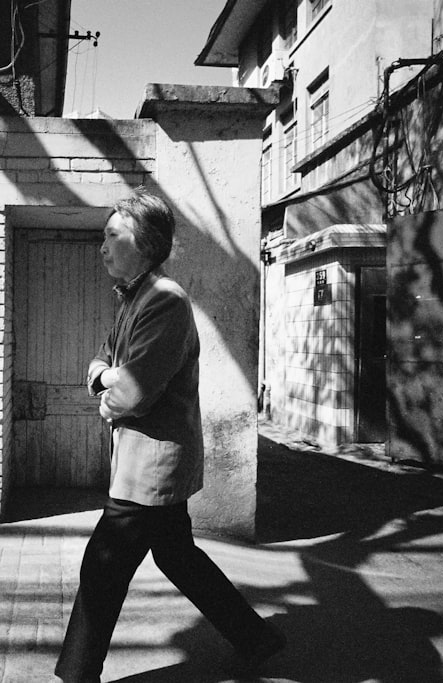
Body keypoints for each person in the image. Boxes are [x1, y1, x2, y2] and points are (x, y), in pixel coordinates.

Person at [55, 188, 286, 682]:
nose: (102, 246)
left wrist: (111, 386)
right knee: (179, 557)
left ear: (144, 241)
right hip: (147, 462)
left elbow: (132, 394)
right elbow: (101, 361)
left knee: (102, 569)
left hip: (151, 470)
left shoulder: (164, 301)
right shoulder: (133, 300)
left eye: (112, 235)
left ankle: (76, 676)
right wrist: (107, 375)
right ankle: (258, 637)